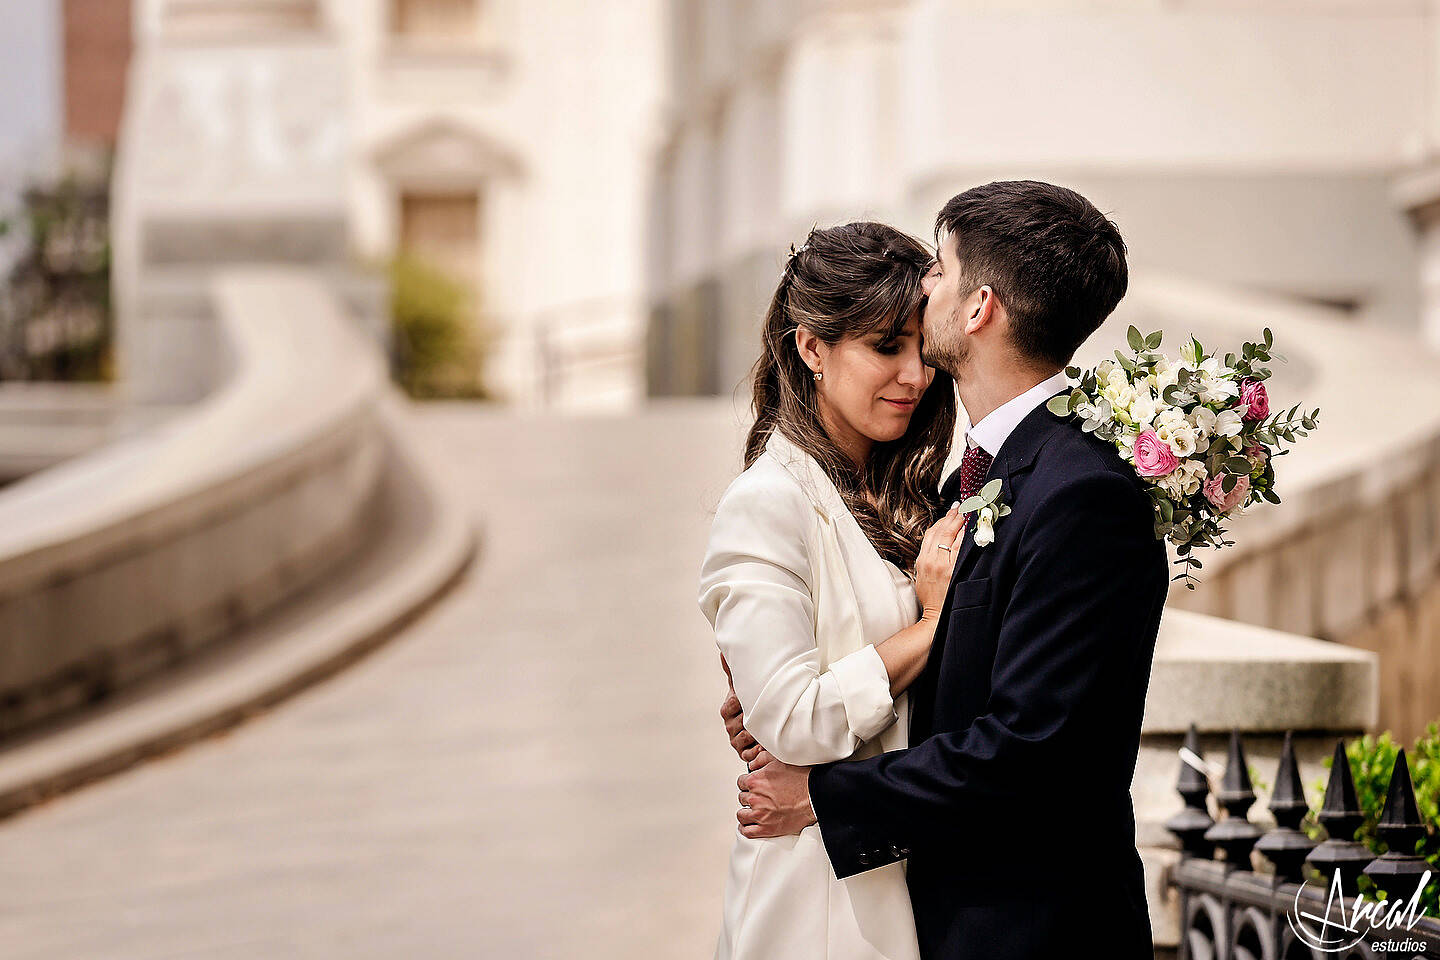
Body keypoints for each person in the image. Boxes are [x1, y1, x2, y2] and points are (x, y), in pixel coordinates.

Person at [728, 181, 1170, 960]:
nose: (925, 281)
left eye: (940, 266)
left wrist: (823, 795)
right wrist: (790, 700)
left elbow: (1032, 750)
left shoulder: (1082, 493)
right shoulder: (967, 479)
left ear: (978, 308)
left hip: (1031, 932)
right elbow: (962, 676)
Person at [698, 221, 965, 960]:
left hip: (902, 870)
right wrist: (939, 624)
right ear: (812, 346)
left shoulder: (908, 492)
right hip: (816, 900)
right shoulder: (767, 503)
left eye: (923, 347)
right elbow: (792, 723)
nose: (916, 375)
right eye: (886, 347)